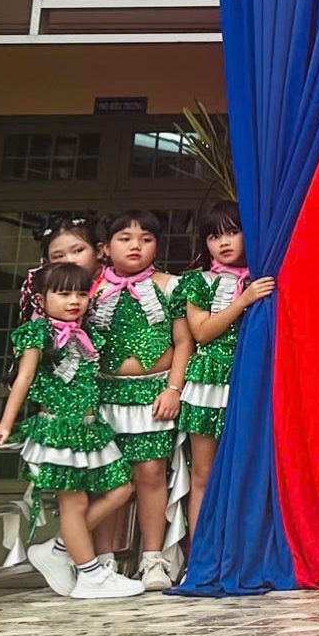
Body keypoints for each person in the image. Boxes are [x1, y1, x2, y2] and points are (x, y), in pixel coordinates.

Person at [0, 260, 143, 600]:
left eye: (82, 294)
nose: (74, 301)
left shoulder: (87, 335)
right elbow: (24, 378)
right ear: (41, 299)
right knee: (75, 503)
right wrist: (6, 423)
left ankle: (58, 548)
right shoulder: (37, 332)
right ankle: (90, 575)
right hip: (57, 428)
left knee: (121, 489)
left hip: (90, 428)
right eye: (63, 293)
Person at [87, 210, 192, 591]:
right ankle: (104, 562)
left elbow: (184, 342)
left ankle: (152, 560)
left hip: (154, 394)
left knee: (150, 475)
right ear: (105, 248)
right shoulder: (89, 291)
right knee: (108, 478)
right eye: (125, 238)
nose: (136, 246)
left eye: (146, 239)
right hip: (103, 395)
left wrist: (173, 389)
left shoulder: (172, 286)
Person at [170, 202, 276, 535]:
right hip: (208, 383)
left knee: (249, 471)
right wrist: (243, 301)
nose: (224, 242)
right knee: (204, 474)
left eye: (232, 232)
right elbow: (201, 332)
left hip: (252, 379)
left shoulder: (265, 275)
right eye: (214, 236)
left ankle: (239, 547)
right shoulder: (197, 282)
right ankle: (199, 552)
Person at [15, 214, 100, 325]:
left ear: (99, 251)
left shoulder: (118, 286)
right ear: (47, 263)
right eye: (59, 256)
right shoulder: (35, 290)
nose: (70, 260)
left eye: (78, 251)